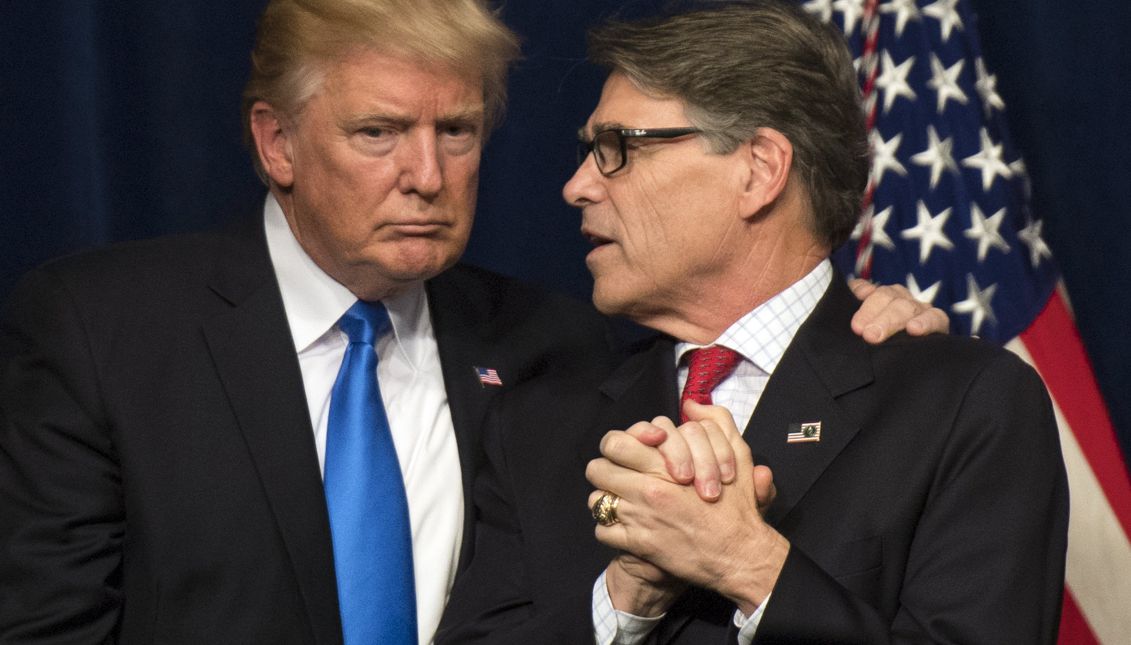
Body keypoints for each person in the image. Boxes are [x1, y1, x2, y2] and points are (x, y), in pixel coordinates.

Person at [0, 0, 945, 643]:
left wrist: (837, 311)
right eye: (378, 132)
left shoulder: (557, 343)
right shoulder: (101, 330)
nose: (426, 172)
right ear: (275, 141)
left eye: (455, 132)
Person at [437, 2, 1068, 644]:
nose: (577, 186)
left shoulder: (965, 407)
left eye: (617, 149)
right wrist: (623, 597)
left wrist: (749, 564)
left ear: (759, 170)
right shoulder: (537, 424)